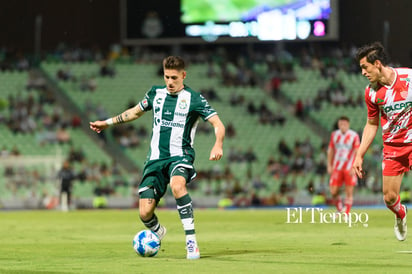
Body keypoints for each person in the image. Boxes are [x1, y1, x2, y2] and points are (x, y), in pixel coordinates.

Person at [89, 56, 225, 259]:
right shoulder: (156, 93)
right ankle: (159, 232)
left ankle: (191, 242)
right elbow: (134, 113)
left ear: (183, 75)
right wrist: (107, 123)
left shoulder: (194, 98)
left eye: (174, 78)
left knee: (178, 185)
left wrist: (218, 144)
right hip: (155, 160)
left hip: (180, 155)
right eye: (166, 77)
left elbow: (218, 124)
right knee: (144, 213)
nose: (169, 82)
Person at [353, 41, 412, 241]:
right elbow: (371, 124)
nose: (363, 73)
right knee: (389, 198)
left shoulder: (409, 78)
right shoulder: (371, 92)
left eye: (365, 67)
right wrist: (359, 154)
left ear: (377, 64)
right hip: (393, 147)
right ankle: (401, 214)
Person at [327, 116, 360, 214]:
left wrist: (355, 166)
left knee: (349, 191)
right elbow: (331, 150)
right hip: (337, 167)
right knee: (333, 191)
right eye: (340, 124)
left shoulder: (354, 135)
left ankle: (347, 213)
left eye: (344, 124)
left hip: (349, 167)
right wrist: (329, 165)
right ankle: (340, 209)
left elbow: (357, 151)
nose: (342, 126)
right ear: (338, 124)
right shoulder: (334, 135)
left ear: (348, 125)